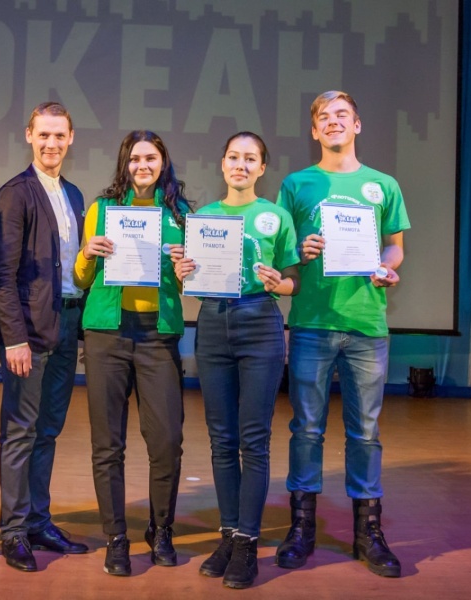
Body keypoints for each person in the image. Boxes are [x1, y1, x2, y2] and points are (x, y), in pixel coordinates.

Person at [275, 91, 409, 578]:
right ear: (314, 130)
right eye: (324, 117)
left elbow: (395, 248)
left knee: (366, 432)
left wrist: (387, 269)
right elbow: (281, 256)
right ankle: (301, 527)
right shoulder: (296, 184)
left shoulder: (383, 185)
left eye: (342, 115)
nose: (333, 122)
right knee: (306, 428)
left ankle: (368, 531)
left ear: (357, 125)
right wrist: (302, 251)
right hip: (312, 323)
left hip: (366, 324)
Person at [173, 132, 299, 588]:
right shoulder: (203, 217)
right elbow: (190, 281)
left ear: (262, 168)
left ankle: (247, 542)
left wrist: (278, 283)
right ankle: (228, 534)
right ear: (222, 163)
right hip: (212, 322)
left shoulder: (276, 216)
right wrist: (182, 273)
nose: (240, 165)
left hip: (259, 322)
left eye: (250, 159)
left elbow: (293, 280)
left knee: (254, 439)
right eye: (233, 157)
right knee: (221, 439)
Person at [74, 130, 190, 577]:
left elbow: (189, 283)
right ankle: (116, 537)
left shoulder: (180, 214)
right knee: (108, 444)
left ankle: (161, 529)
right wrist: (87, 253)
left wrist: (185, 269)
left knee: (167, 442)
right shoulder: (101, 209)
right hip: (107, 334)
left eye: (151, 158)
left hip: (158, 336)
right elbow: (82, 278)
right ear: (124, 163)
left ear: (163, 163)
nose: (143, 165)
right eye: (135, 158)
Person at [0, 101, 89, 572]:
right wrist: (14, 338)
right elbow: (3, 275)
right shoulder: (15, 193)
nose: (52, 143)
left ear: (71, 139)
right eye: (43, 134)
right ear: (29, 135)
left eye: (59, 135)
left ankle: (38, 521)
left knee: (48, 429)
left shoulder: (74, 194)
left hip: (68, 323)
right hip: (29, 332)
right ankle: (13, 531)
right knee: (20, 431)